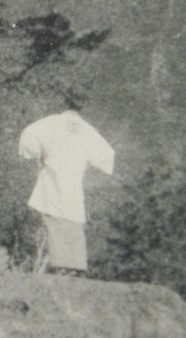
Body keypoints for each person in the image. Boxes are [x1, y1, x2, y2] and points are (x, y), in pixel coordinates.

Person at [18, 100, 114, 275]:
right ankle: (72, 268)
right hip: (72, 185)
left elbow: (28, 137)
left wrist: (38, 153)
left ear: (64, 104)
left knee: (53, 220)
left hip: (52, 180)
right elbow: (107, 155)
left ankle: (61, 267)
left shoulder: (49, 123)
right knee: (71, 222)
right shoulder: (88, 131)